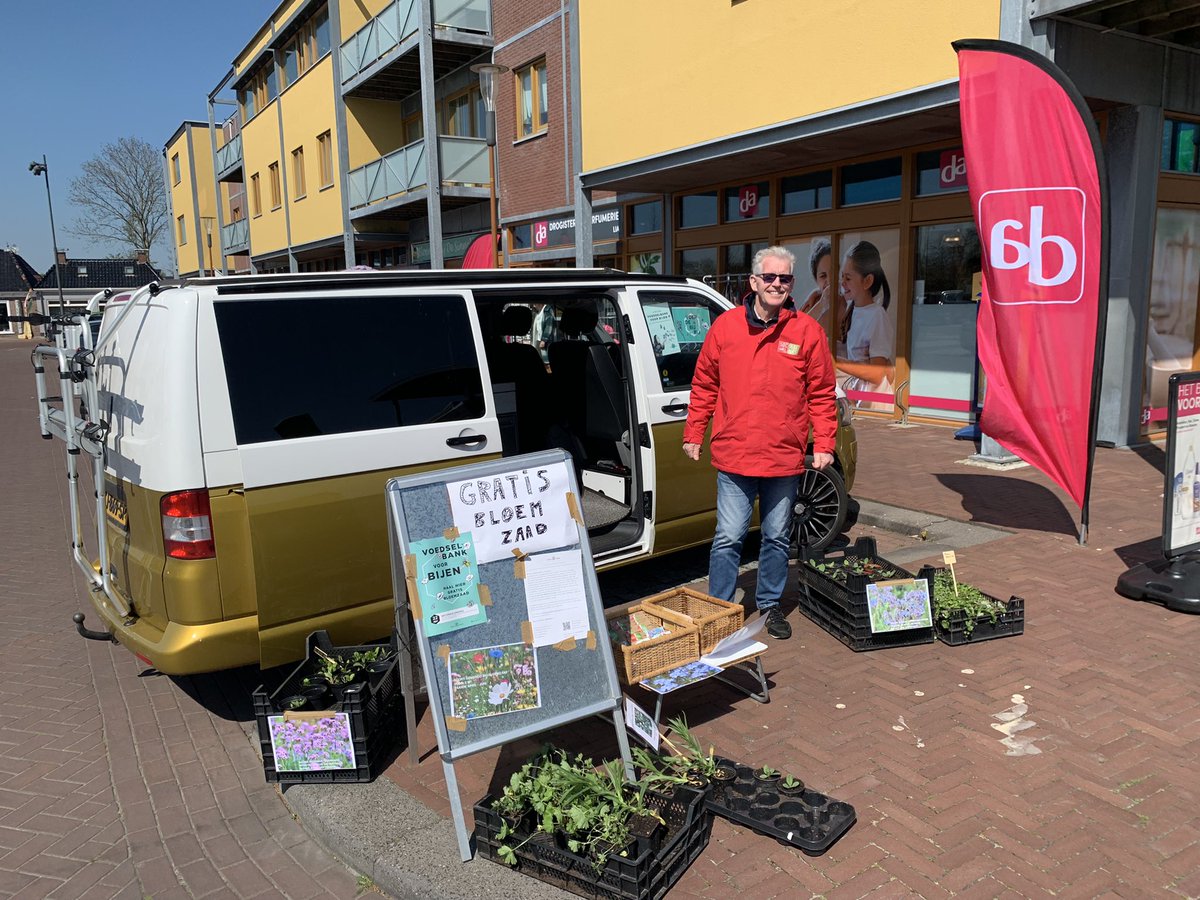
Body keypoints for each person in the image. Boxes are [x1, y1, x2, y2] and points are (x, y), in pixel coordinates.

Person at [683, 246, 838, 640]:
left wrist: (824, 444)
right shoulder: (726, 328)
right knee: (729, 537)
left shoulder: (807, 332)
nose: (776, 284)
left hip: (783, 457)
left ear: (791, 284)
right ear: (754, 282)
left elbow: (821, 392)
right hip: (735, 454)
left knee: (777, 537)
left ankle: (769, 605)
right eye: (769, 277)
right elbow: (704, 385)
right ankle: (718, 608)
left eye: (784, 278)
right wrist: (693, 433)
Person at [835, 240, 895, 411]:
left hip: (875, 402)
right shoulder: (851, 310)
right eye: (842, 277)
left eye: (848, 278)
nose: (842, 283)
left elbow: (877, 374)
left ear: (867, 281)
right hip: (861, 397)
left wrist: (836, 362)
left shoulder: (877, 315)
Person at [798, 239, 833, 327]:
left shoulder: (849, 301)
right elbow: (796, 333)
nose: (829, 281)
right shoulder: (812, 305)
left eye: (833, 273)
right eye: (823, 276)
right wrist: (821, 305)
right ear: (816, 279)